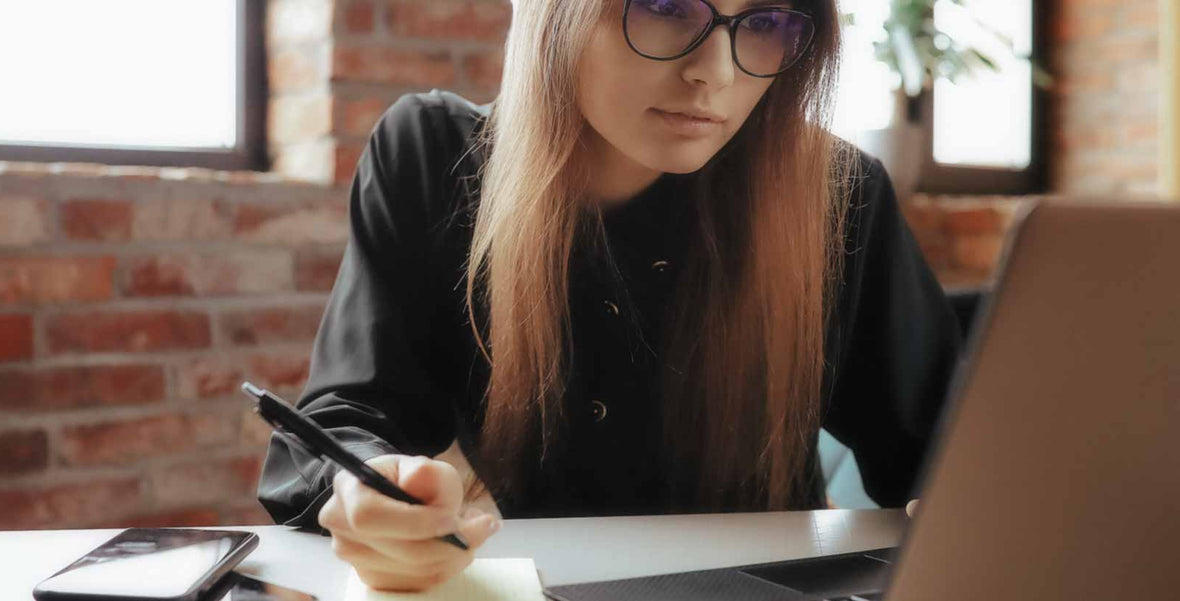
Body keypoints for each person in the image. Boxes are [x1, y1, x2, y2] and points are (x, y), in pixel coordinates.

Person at [257, 0, 962, 591]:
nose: (714, 72)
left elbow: (951, 451)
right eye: (665, 6)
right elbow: (345, 416)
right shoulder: (434, 157)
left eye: (765, 22)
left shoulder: (836, 198)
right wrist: (371, 490)